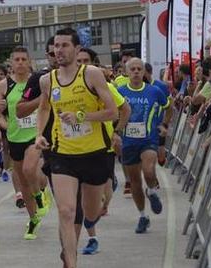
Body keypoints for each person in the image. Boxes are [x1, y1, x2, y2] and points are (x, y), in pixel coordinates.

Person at [34, 28, 118, 268]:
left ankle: (81, 233)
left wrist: (82, 116)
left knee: (90, 214)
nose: (59, 50)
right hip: (63, 154)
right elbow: (43, 109)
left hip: (94, 154)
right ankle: (70, 261)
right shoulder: (47, 80)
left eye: (64, 45)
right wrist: (39, 135)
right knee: (67, 212)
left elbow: (112, 112)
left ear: (77, 49)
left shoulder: (91, 74)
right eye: (56, 47)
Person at [75, 48, 130, 255]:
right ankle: (92, 238)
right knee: (81, 199)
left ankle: (110, 187)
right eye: (78, 60)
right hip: (76, 149)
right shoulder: (64, 86)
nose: (81, 64)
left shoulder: (105, 86)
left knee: (102, 202)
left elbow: (125, 110)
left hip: (103, 148)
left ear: (94, 64)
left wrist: (116, 132)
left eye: (86, 61)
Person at [0, 46, 50, 240]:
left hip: (35, 136)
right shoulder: (4, 85)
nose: (19, 63)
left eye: (23, 59)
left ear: (29, 62)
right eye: (16, 59)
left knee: (29, 169)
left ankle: (40, 199)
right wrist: (6, 124)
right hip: (14, 138)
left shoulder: (38, 82)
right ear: (11, 62)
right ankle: (33, 218)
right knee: (23, 183)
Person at [116, 58, 169, 234]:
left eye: (140, 69)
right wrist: (115, 131)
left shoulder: (154, 91)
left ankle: (152, 191)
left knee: (148, 170)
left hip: (149, 139)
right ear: (127, 72)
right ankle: (143, 216)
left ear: (144, 72)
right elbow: (113, 111)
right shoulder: (120, 91)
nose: (137, 72)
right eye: (133, 69)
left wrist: (164, 125)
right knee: (135, 183)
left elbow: (168, 107)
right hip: (129, 142)